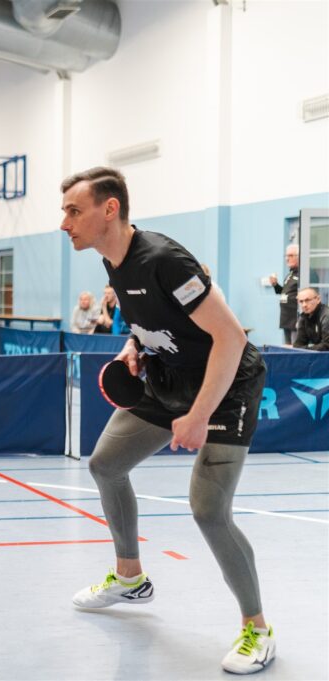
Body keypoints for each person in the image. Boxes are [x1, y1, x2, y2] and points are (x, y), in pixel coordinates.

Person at [60, 167, 274, 674]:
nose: (64, 223)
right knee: (106, 464)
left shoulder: (164, 260)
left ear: (109, 209)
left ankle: (258, 630)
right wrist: (134, 344)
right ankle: (129, 577)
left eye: (73, 211)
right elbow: (154, 320)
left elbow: (230, 337)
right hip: (169, 376)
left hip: (226, 384)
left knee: (209, 510)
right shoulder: (114, 262)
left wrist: (199, 415)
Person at [270, 245, 300, 344]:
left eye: (291, 255)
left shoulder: (303, 274)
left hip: (296, 320)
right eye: (286, 256)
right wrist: (275, 285)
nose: (287, 258)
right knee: (287, 347)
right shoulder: (290, 274)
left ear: (299, 256)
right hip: (286, 318)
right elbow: (285, 292)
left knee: (295, 348)